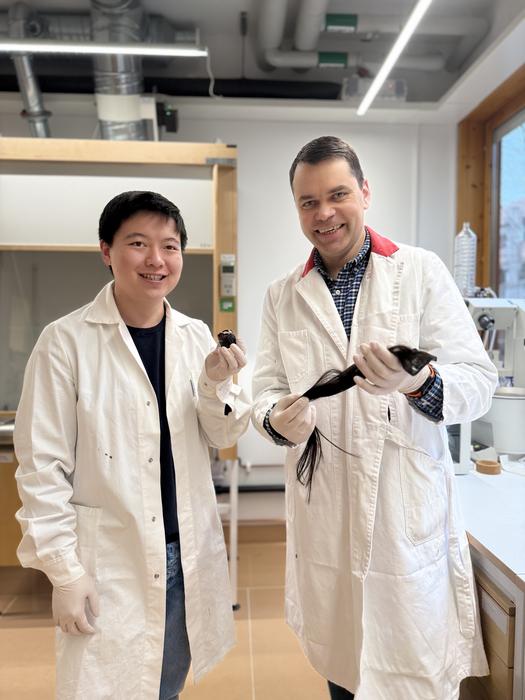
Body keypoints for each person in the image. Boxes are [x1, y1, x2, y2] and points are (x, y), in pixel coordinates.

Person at [251, 136, 497, 699]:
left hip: (403, 520)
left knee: (411, 674)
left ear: (365, 192)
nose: (325, 213)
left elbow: (479, 383)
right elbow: (263, 388)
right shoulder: (281, 295)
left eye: (338, 194)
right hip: (326, 519)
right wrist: (273, 419)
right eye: (308, 202)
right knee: (345, 671)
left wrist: (419, 383)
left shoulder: (420, 272)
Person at [14, 190, 251, 700]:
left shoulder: (195, 338)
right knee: (104, 687)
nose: (156, 260)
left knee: (164, 685)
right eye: (138, 244)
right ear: (106, 251)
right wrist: (64, 572)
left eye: (170, 246)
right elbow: (41, 469)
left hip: (183, 556)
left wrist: (212, 385)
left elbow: (224, 434)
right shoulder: (65, 342)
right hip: (109, 563)